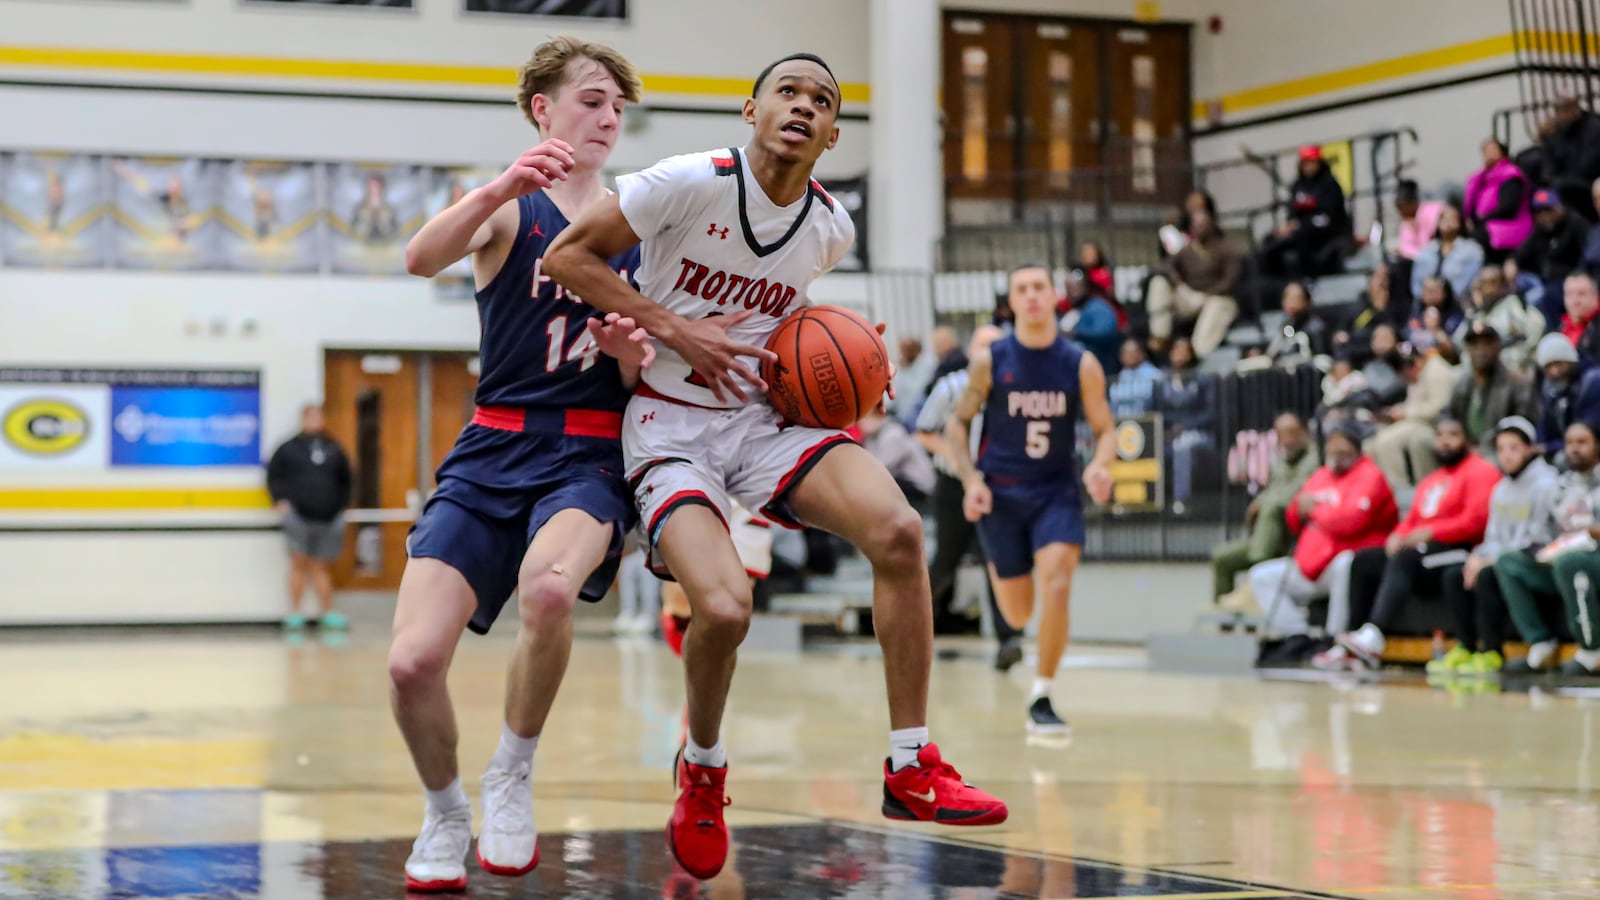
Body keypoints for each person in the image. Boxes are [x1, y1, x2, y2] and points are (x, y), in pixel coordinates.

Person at [543, 52, 1009, 880]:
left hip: (765, 419)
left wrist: (859, 363)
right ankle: (704, 767)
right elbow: (568, 259)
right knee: (723, 608)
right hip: (672, 423)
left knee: (900, 531)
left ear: (831, 135)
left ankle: (911, 764)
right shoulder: (685, 181)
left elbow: (787, 315)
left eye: (821, 101)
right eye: (787, 91)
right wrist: (675, 329)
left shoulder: (830, 228)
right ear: (751, 109)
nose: (802, 105)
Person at [385, 38, 649, 892]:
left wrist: (627, 356)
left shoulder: (638, 221)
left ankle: (513, 770)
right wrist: (500, 185)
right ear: (543, 108)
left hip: (587, 451)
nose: (608, 118)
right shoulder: (510, 209)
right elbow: (419, 258)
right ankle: (444, 809)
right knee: (411, 662)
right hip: (492, 445)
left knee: (547, 590)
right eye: (592, 100)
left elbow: (653, 374)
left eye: (617, 108)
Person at [945, 263, 1116, 733]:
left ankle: (1043, 692)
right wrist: (970, 479)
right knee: (1017, 611)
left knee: (1057, 581)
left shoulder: (1080, 362)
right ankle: (1027, 653)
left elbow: (1106, 430)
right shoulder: (990, 360)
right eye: (1022, 288)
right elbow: (957, 424)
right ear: (1013, 302)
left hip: (1055, 491)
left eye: (1040, 286)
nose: (1032, 295)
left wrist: (1101, 465)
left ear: (1054, 296)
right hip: (1001, 494)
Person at [1316, 418, 1501, 670]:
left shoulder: (1480, 471)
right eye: (1440, 435)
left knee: (1407, 557)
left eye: (1453, 434)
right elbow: (1412, 519)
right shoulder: (1432, 479)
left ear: (1467, 440)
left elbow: (1476, 521)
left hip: (1458, 550)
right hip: (1425, 552)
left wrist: (1430, 532)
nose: (1445, 441)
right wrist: (1398, 534)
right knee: (1365, 560)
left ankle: (1374, 635)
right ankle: (1353, 640)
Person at [915, 325, 1023, 662]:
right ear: (972, 350)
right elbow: (924, 432)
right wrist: (960, 460)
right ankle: (913, 625)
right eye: (984, 346)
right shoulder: (951, 386)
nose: (989, 353)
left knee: (997, 559)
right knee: (945, 562)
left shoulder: (1013, 387)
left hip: (996, 485)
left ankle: (1008, 640)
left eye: (996, 346)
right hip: (954, 485)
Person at [1247, 423, 1395, 665]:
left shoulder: (1370, 475)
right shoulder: (1320, 476)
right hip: (1310, 564)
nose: (1337, 455)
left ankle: (1334, 638)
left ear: (1356, 450)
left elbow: (1351, 521)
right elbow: (1293, 519)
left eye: (1343, 450)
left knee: (1345, 564)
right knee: (1261, 576)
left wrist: (1315, 510)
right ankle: (1297, 634)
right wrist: (1299, 509)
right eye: (1332, 450)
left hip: (1345, 564)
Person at [1430, 417, 1558, 677]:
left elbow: (1539, 539)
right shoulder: (1500, 488)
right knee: (1456, 574)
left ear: (1529, 449)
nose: (1506, 456)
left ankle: (1492, 651)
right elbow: (1492, 537)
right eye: (1501, 449)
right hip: (1502, 558)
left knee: (1490, 573)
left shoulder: (1547, 484)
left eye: (1514, 448)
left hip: (1535, 563)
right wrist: (1477, 558)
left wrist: (1489, 561)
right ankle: (1467, 647)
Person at [1497, 421, 1600, 677]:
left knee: (1572, 562)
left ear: (1597, 445)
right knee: (1508, 562)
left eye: (1582, 442)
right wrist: (1542, 550)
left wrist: (1590, 533)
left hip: (1593, 558)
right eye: (1570, 443)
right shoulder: (1560, 485)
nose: (1574, 449)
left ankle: (1592, 649)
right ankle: (1540, 641)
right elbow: (1547, 531)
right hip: (1563, 558)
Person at [1209, 413, 1319, 609]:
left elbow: (1292, 495)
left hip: (1291, 537)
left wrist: (1264, 502)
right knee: (1221, 557)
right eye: (1281, 434)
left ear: (1304, 432)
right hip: (1264, 536)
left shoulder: (1314, 459)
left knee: (1272, 507)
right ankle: (1224, 616)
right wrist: (1259, 501)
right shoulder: (1280, 461)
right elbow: (1270, 490)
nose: (1287, 440)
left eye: (1292, 433)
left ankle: (1257, 567)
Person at [265, 402, 352, 630]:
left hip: (329, 516)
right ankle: (294, 613)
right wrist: (280, 501)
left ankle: (327, 612)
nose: (314, 421)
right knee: (298, 563)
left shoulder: (334, 448)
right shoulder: (288, 449)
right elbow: (274, 476)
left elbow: (347, 480)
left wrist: (341, 505)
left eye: (318, 417)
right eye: (310, 417)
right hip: (299, 516)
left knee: (321, 566)